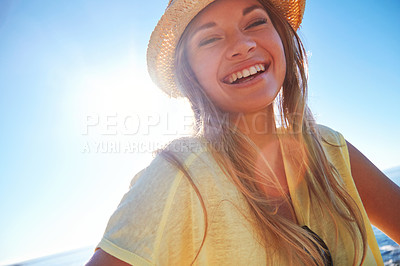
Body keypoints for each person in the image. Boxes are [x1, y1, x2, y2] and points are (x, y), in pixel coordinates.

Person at [87, 0, 400, 265]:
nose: (242, 45)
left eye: (255, 22)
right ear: (190, 74)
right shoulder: (179, 173)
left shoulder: (332, 148)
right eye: (209, 39)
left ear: (282, 38)